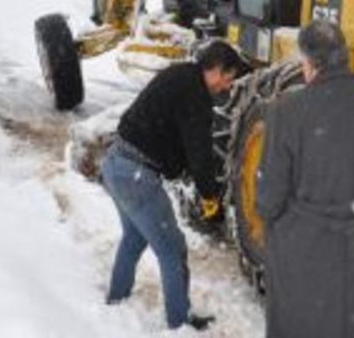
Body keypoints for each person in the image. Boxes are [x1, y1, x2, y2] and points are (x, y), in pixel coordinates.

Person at [257, 20, 354, 338]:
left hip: (301, 248)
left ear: (308, 62)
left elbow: (269, 195)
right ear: (345, 56)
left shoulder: (285, 111)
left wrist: (278, 218)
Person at [100, 40, 245, 331]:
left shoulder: (181, 74)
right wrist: (209, 197)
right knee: (173, 249)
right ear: (215, 70)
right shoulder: (196, 97)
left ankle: (116, 301)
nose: (226, 87)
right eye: (227, 79)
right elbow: (199, 153)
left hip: (116, 163)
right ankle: (180, 325)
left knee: (135, 237)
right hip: (136, 175)